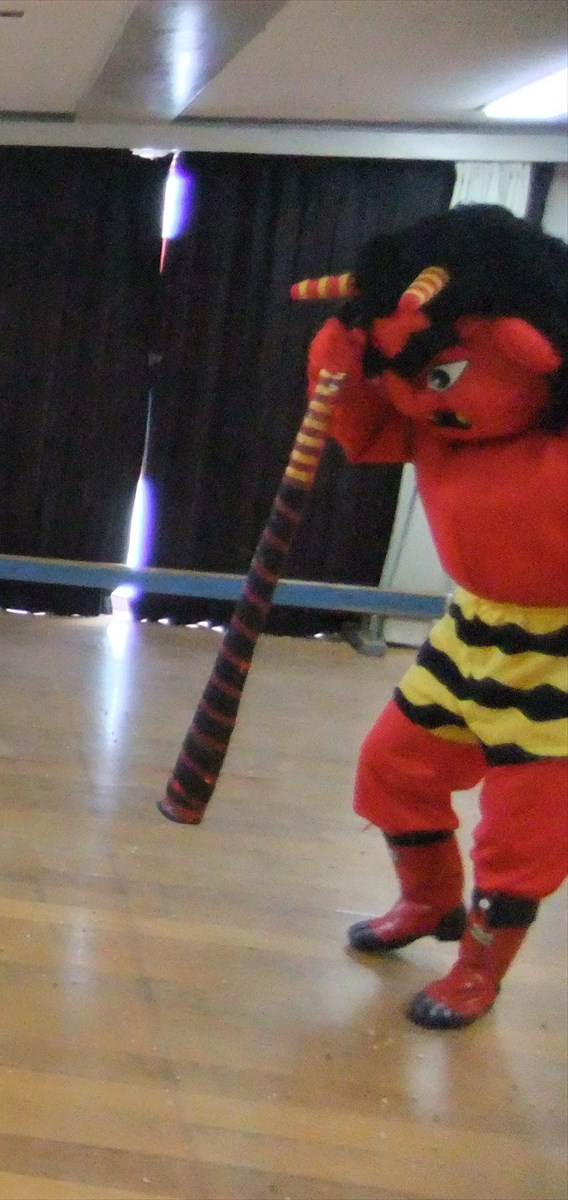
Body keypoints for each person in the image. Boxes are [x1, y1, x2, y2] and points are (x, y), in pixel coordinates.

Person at [301, 205, 568, 1029]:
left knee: (523, 831)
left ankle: (480, 970)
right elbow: (359, 431)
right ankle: (429, 902)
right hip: (471, 630)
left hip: (562, 656)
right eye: (404, 375)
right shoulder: (436, 430)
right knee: (395, 768)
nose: (422, 398)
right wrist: (340, 359)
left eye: (441, 376)